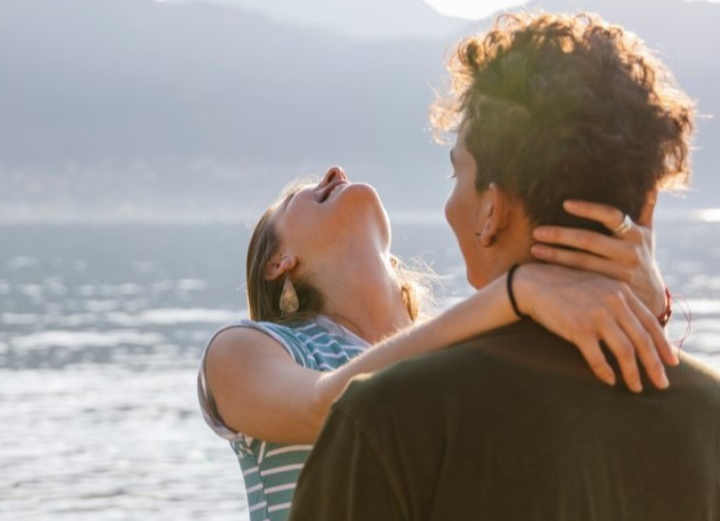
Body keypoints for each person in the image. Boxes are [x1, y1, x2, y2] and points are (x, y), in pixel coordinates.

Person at [288, 12, 720, 521]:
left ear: (493, 211)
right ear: (646, 208)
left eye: (456, 172)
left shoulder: (391, 419)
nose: (450, 203)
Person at [198, 172, 678, 520]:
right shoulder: (245, 349)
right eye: (291, 200)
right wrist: (515, 293)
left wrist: (649, 303)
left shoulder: (463, 349)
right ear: (278, 261)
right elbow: (325, 407)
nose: (334, 174)